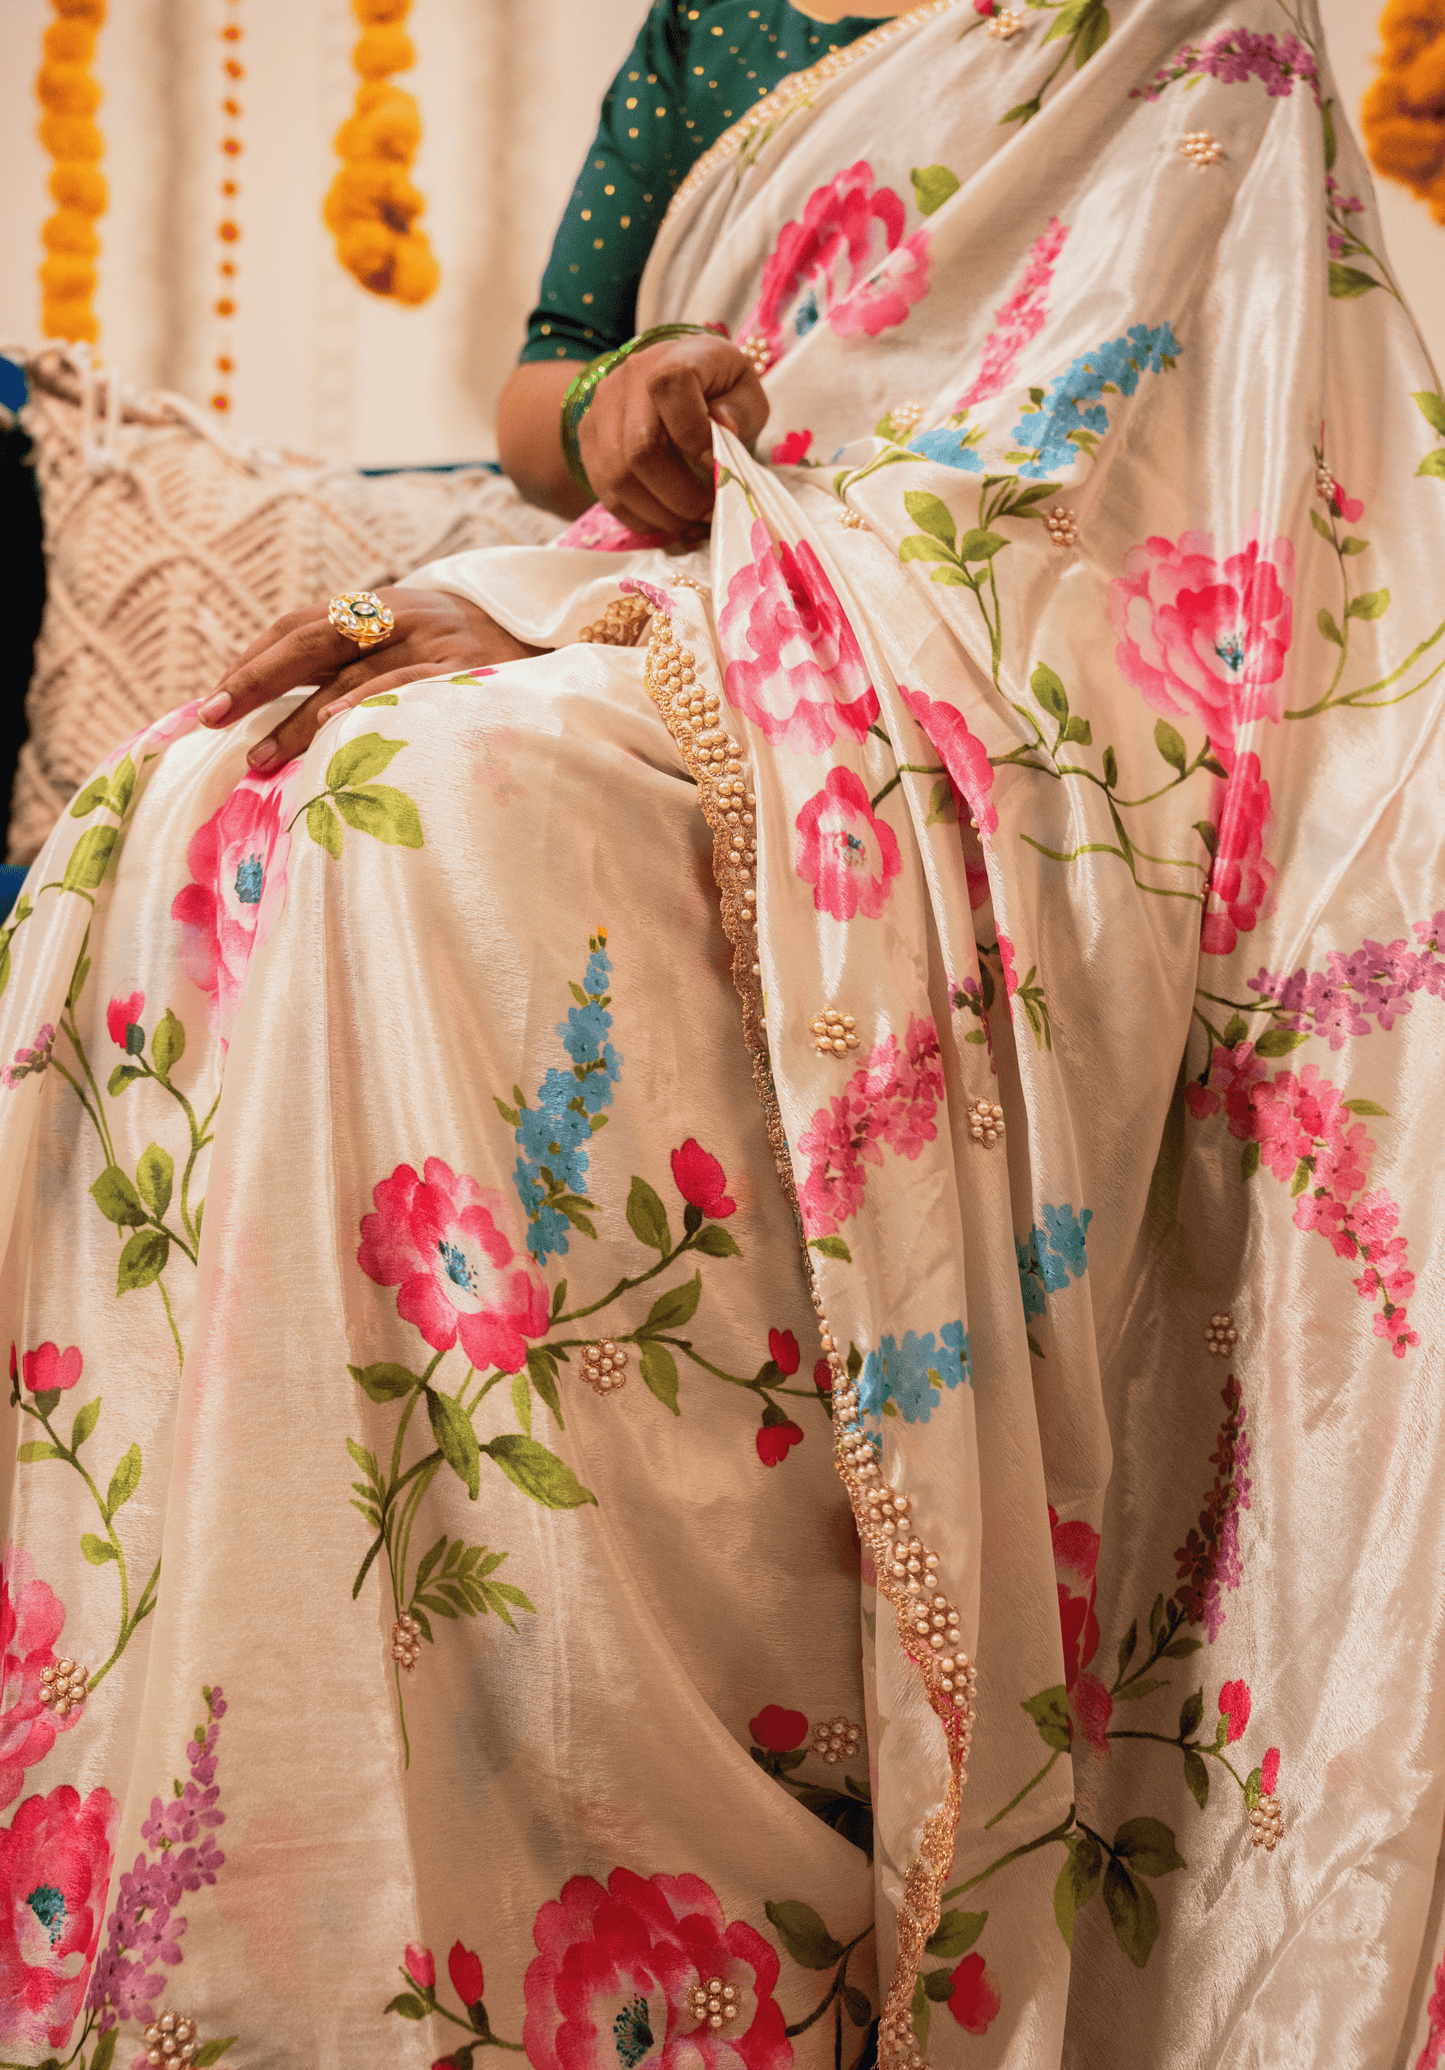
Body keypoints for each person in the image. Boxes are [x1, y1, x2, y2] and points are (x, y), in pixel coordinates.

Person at [3, 2, 1444, 2066]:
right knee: (200, 806)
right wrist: (610, 425)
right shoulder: (714, 26)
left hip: (1020, 680)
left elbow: (1143, 470)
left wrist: (653, 622)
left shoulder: (1174, 33)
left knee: (424, 821)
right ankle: (307, 1816)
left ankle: (667, 1920)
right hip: (697, 597)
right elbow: (540, 378)